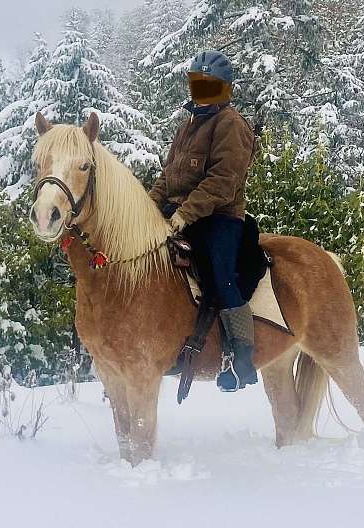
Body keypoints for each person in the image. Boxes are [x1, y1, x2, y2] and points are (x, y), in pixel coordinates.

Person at [149, 50, 257, 392]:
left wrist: (184, 214)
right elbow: (168, 177)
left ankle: (242, 358)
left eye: (209, 85)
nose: (201, 91)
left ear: (224, 89)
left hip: (219, 217)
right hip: (182, 216)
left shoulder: (231, 125)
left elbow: (222, 181)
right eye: (197, 84)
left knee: (221, 275)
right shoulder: (187, 126)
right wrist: (147, 207)